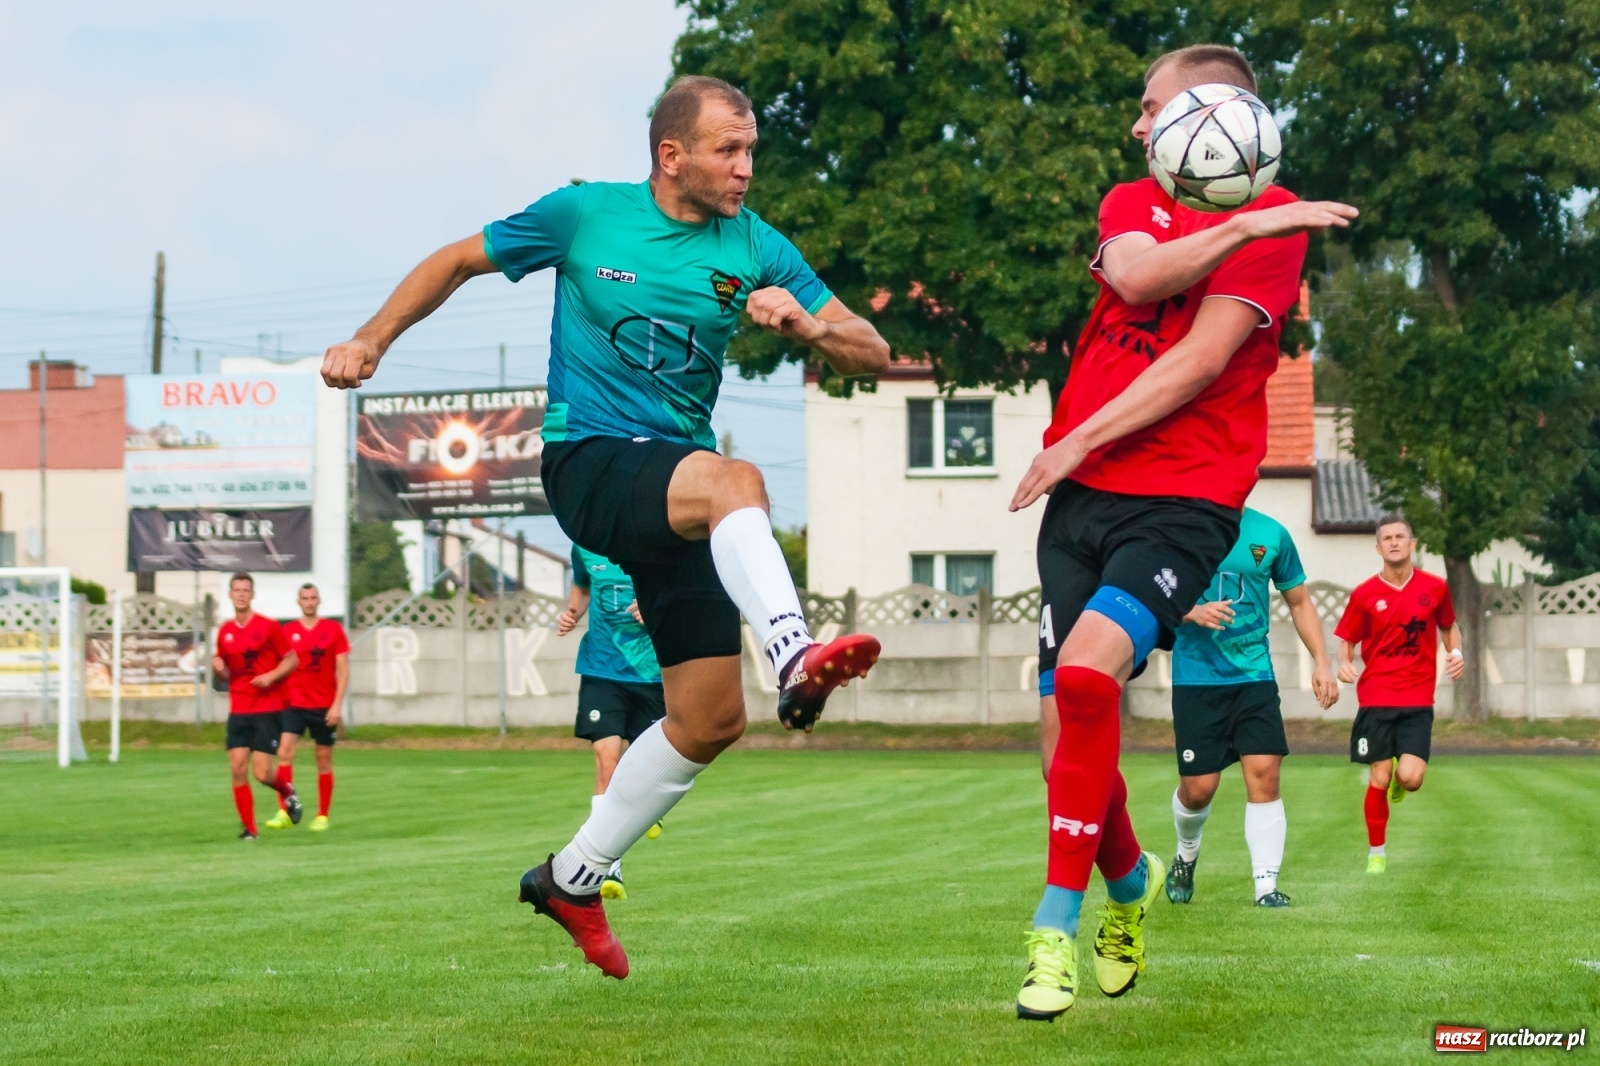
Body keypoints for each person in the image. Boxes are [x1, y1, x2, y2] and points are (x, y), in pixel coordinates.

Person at [320, 75, 890, 979]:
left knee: (707, 721)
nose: (745, 169)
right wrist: (371, 339)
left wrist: (810, 331)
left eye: (751, 152)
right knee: (736, 478)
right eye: (727, 152)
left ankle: (572, 877)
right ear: (673, 156)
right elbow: (455, 259)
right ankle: (794, 656)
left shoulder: (757, 244)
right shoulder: (585, 215)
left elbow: (873, 348)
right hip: (589, 461)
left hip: (681, 493)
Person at [1008, 44, 1357, 1020]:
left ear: (1210, 121)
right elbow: (1135, 276)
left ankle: (1052, 929)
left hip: (1180, 499)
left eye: (1150, 106)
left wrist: (1072, 439)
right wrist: (1253, 215)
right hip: (1081, 491)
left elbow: (1195, 365)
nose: (1135, 124)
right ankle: (1128, 885)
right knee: (1060, 750)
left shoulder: (1273, 239)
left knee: (1085, 676)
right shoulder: (1134, 201)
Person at [1163, 508, 1338, 909]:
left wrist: (1322, 662)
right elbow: (1149, 591)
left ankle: (1266, 888)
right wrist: (1191, 612)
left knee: (1265, 774)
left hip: (1254, 675)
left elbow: (1299, 601)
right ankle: (1185, 854)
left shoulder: (1270, 532)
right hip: (1196, 678)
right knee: (1198, 789)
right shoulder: (1179, 525)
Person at [1333, 516, 1463, 874]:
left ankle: (1401, 783)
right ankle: (1377, 853)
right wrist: (1343, 663)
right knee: (1379, 777)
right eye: (1386, 538)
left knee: (1411, 778)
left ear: (1412, 544)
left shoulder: (1434, 588)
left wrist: (1456, 653)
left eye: (1400, 537)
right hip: (1375, 697)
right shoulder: (1363, 595)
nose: (1393, 542)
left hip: (1418, 700)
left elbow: (1450, 628)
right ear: (1378, 548)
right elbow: (1346, 640)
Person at [556, 546, 667, 900]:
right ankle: (609, 865)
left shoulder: (651, 542)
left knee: (646, 766)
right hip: (600, 669)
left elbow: (678, 593)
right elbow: (583, 587)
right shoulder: (584, 547)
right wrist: (572, 612)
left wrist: (656, 607)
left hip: (650, 672)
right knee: (607, 761)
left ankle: (648, 807)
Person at [212, 572, 301, 839]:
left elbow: (292, 659)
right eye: (236, 590)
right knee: (237, 769)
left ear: (252, 595)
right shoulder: (225, 631)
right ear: (230, 594)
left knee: (262, 773)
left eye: (245, 590)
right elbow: (229, 675)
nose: (241, 594)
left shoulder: (269, 626)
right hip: (239, 709)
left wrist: (271, 676)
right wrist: (219, 671)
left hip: (266, 708)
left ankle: (288, 793)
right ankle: (250, 830)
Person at [264, 583, 349, 833]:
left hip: (323, 705)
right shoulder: (287, 631)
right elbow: (277, 665)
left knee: (322, 758)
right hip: (293, 705)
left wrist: (337, 704)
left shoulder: (333, 630)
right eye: (305, 598)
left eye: (313, 598)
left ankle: (322, 815)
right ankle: (285, 810)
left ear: (319, 601)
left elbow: (343, 669)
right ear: (298, 602)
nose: (309, 602)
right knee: (284, 752)